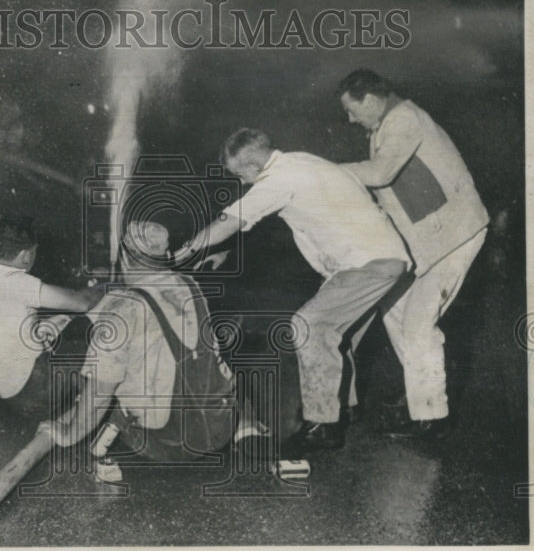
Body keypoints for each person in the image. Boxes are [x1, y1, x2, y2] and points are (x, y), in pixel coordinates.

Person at [176, 129, 410, 454]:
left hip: (366, 263)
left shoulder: (279, 178)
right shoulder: (304, 163)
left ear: (253, 164)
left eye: (239, 173)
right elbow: (274, 219)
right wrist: (226, 251)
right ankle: (345, 409)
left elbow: (231, 219)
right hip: (383, 257)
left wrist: (185, 251)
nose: (242, 182)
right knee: (340, 334)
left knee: (309, 325)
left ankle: (321, 426)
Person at [337, 69, 489, 439]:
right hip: (431, 240)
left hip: (455, 236)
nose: (350, 119)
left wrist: (326, 174)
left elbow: (381, 173)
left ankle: (432, 418)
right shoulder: (387, 126)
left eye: (352, 110)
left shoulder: (404, 118)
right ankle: (422, 398)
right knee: (394, 308)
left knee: (418, 324)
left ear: (370, 100)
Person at [50, 221, 263, 471]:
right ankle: (246, 426)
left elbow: (100, 393)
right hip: (217, 430)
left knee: (97, 376)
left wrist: (70, 434)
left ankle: (104, 433)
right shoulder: (190, 285)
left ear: (126, 260)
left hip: (167, 444)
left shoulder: (123, 308)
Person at [0, 217, 102, 419]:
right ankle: (96, 415)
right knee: (101, 350)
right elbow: (82, 303)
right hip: (32, 394)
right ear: (25, 255)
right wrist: (107, 286)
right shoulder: (19, 283)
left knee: (63, 321)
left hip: (5, 388)